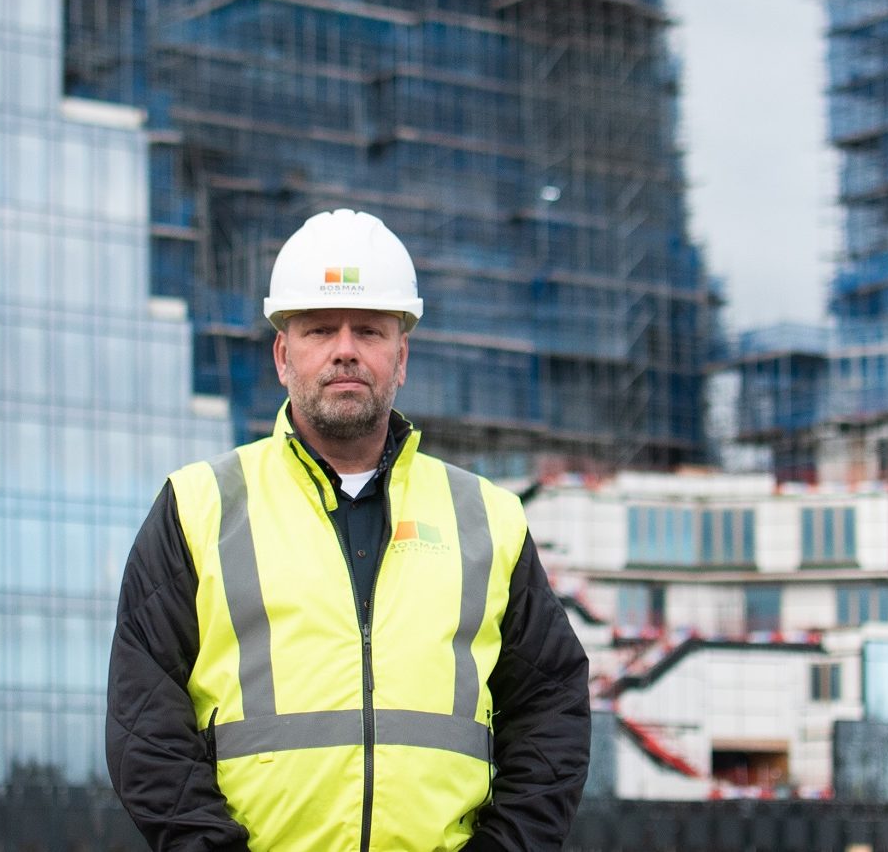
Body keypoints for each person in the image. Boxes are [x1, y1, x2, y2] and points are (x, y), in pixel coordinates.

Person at [106, 208, 590, 851]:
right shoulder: (197, 508)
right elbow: (145, 722)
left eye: (369, 330)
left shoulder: (488, 519)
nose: (345, 350)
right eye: (318, 330)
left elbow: (552, 710)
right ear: (283, 354)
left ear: (401, 355)